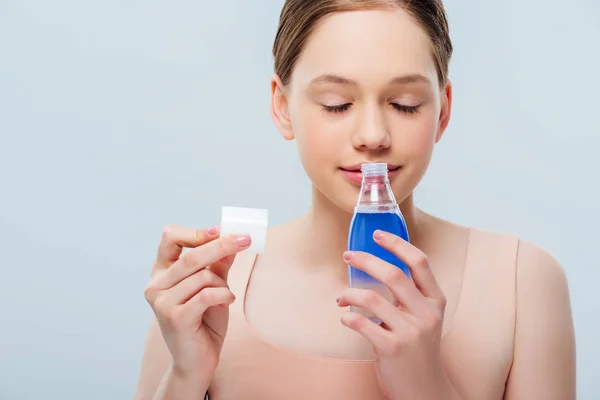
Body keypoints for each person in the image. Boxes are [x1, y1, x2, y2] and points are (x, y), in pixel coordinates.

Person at [133, 1, 576, 399]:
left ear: (442, 110)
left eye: (404, 104)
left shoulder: (522, 282)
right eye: (336, 103)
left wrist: (426, 387)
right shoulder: (207, 286)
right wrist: (185, 376)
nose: (372, 136)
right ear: (282, 106)